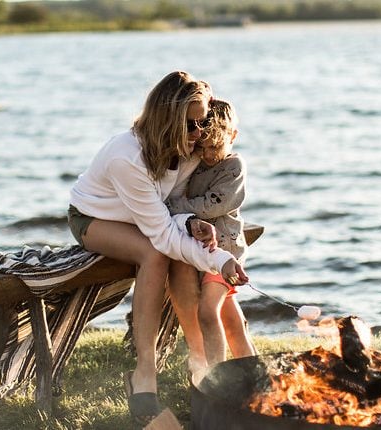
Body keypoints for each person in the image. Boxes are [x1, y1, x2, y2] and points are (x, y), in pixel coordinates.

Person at [67, 71, 249, 425]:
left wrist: (194, 223)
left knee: (181, 260)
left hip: (150, 216)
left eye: (204, 121)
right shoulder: (127, 157)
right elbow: (163, 235)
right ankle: (143, 373)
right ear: (168, 122)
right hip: (97, 218)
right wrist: (222, 259)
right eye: (193, 125)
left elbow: (171, 209)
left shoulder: (191, 147)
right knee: (156, 254)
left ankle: (202, 365)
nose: (201, 134)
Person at [166, 99, 257, 374]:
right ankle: (254, 375)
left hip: (226, 251)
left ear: (233, 137)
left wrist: (174, 209)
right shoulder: (195, 164)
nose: (207, 154)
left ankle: (217, 379)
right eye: (202, 147)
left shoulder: (233, 166)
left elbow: (213, 204)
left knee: (208, 312)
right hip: (201, 252)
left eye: (214, 147)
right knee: (231, 320)